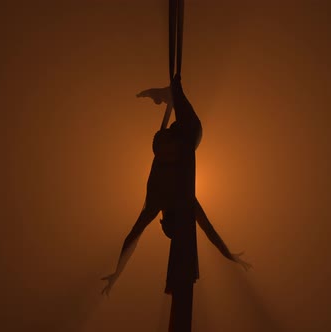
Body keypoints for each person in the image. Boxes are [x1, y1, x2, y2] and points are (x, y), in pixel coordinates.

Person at [101, 75, 250, 297]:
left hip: (181, 133)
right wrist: (228, 254)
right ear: (164, 218)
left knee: (174, 138)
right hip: (185, 134)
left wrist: (117, 273)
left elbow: (132, 238)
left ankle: (172, 92)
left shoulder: (159, 200)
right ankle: (173, 91)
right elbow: (208, 229)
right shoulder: (179, 199)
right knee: (182, 134)